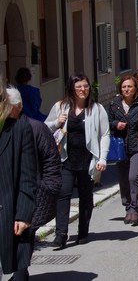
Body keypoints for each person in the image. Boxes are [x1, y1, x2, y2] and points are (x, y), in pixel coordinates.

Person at [44, 73, 110, 248]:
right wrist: (57, 122)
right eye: (79, 86)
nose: (83, 90)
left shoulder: (97, 109)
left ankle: (83, 231)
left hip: (88, 161)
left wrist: (102, 158)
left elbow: (105, 134)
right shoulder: (60, 107)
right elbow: (45, 129)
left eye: (86, 86)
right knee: (63, 194)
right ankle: (61, 234)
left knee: (86, 197)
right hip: (65, 159)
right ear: (72, 88)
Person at [7, 87, 62, 281]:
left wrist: (49, 188)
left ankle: (20, 273)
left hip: (33, 192)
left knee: (24, 233)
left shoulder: (36, 128)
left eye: (7, 106)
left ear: (19, 107)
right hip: (7, 195)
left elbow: (51, 161)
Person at [108, 76, 138, 226]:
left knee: (133, 176)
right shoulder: (114, 104)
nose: (127, 89)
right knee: (123, 179)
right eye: (124, 87)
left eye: (130, 86)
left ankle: (134, 209)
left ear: (136, 88)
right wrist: (116, 124)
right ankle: (128, 205)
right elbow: (107, 123)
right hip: (120, 148)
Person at [0, 78, 37, 278]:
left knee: (15, 264)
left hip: (6, 212)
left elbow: (28, 176)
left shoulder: (19, 129)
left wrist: (23, 214)